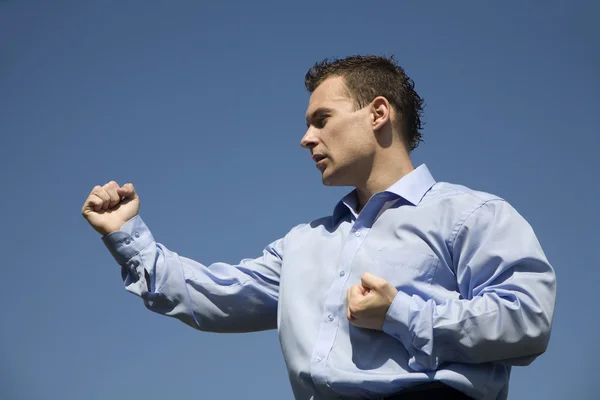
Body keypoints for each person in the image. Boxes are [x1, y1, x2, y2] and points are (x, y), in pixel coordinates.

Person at [81, 55, 556, 399]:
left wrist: (402, 314)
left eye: (321, 119)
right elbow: (213, 295)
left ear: (377, 113)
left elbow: (527, 321)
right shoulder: (301, 245)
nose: (306, 138)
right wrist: (127, 235)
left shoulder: (471, 215)